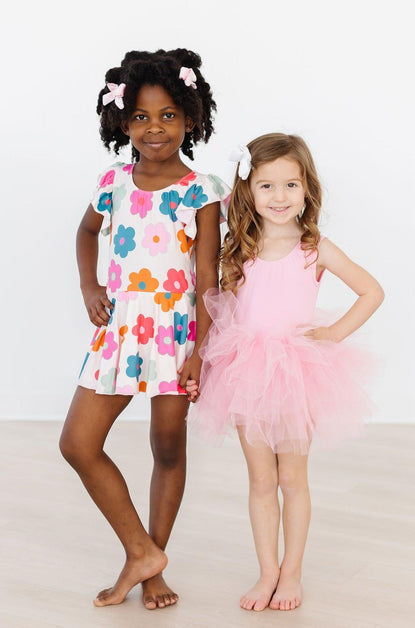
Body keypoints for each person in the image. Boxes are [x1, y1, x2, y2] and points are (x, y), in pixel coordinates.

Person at [59, 48, 230, 611]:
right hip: (121, 328)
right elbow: (87, 232)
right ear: (122, 122)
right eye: (140, 116)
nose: (155, 128)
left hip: (176, 333)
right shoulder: (112, 181)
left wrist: (200, 351)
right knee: (78, 443)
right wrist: (90, 286)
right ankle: (141, 552)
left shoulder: (202, 189)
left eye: (168, 115)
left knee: (167, 445)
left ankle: (155, 563)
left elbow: (207, 277)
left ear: (191, 118)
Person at [186, 133, 384, 612]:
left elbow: (372, 291)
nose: (279, 197)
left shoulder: (314, 248)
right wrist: (204, 366)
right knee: (260, 480)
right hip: (245, 372)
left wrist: (332, 334)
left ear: (307, 188)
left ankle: (292, 572)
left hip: (297, 373)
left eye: (291, 185)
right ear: (248, 190)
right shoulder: (238, 250)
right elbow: (222, 313)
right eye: (267, 185)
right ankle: (267, 572)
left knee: (292, 478)